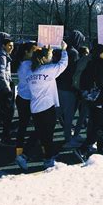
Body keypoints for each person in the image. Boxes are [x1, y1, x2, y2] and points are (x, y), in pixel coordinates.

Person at [25, 41, 68, 169]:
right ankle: (48, 159)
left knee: (39, 132)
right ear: (43, 59)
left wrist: (48, 50)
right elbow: (63, 64)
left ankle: (26, 155)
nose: (51, 57)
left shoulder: (31, 71)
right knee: (47, 134)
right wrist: (64, 50)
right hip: (47, 107)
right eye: (49, 55)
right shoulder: (48, 70)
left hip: (35, 107)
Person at [56, 30, 85, 148]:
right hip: (69, 88)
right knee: (68, 116)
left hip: (59, 86)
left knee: (57, 113)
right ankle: (68, 139)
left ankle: (41, 135)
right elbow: (75, 72)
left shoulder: (61, 50)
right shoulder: (73, 53)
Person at [14, 41, 38, 171]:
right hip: (29, 99)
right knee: (37, 126)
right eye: (33, 51)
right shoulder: (29, 65)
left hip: (22, 97)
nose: (36, 53)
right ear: (27, 52)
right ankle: (24, 153)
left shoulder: (21, 63)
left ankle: (19, 151)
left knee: (22, 126)